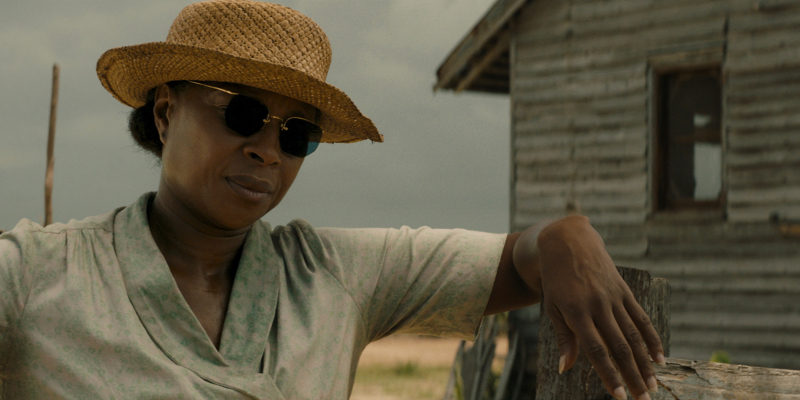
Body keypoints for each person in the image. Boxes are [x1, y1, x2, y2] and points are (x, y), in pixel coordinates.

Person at [0, 1, 663, 399]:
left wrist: (564, 237)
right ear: (167, 113)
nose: (267, 148)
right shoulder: (38, 275)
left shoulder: (332, 276)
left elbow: (516, 261)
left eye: (297, 133)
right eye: (243, 113)